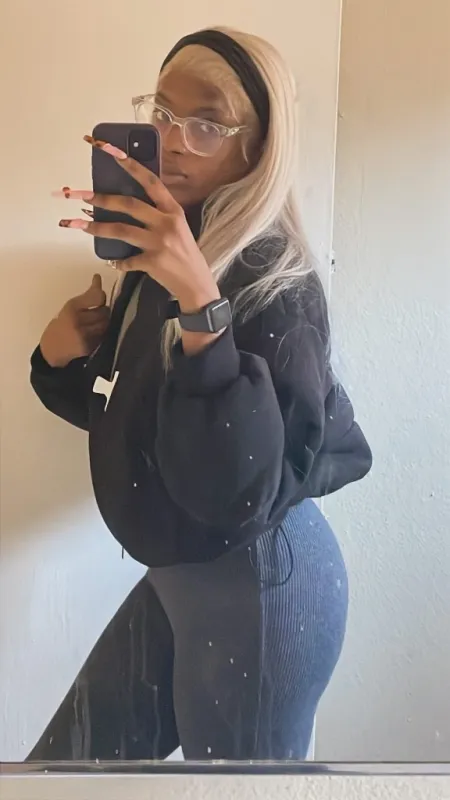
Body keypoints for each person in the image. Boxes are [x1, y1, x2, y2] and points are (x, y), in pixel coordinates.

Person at [28, 26, 372, 762]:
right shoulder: (164, 254)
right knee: (61, 771)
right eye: (161, 112)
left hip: (262, 583)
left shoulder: (276, 283)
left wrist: (201, 307)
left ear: (260, 147)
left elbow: (234, 491)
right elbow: (143, 426)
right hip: (182, 574)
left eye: (207, 123)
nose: (173, 140)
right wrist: (57, 361)